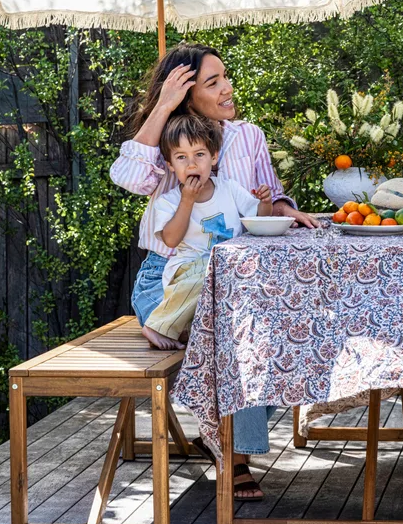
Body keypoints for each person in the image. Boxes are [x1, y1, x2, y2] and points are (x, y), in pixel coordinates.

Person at [110, 41, 319, 500]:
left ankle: (229, 439)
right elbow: (127, 178)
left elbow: (271, 198)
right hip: (173, 283)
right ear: (186, 94)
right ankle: (235, 454)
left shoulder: (248, 136)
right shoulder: (174, 141)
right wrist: (164, 106)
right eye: (212, 82)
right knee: (237, 331)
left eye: (225, 76)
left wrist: (285, 207)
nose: (227, 88)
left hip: (239, 280)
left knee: (283, 330)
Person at [143, 112, 272, 349]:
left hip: (228, 271)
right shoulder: (169, 202)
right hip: (187, 272)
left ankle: (189, 329)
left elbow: (259, 220)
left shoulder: (229, 189)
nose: (191, 164)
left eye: (199, 154)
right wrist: (187, 201)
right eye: (181, 157)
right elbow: (170, 240)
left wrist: (265, 203)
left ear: (214, 157)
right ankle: (156, 324)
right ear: (170, 165)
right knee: (214, 266)